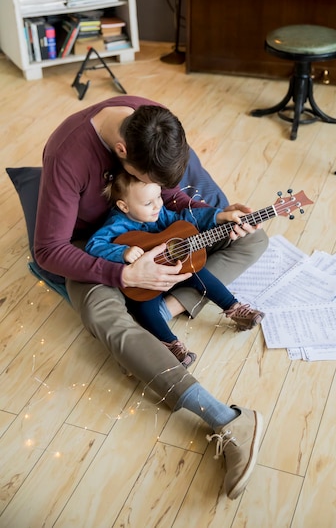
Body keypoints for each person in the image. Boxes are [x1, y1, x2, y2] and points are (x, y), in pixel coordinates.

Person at [34, 96, 269, 500]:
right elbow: (48, 250)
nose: (163, 189)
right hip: (95, 249)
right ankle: (226, 419)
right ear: (121, 152)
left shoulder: (154, 124)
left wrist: (215, 215)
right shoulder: (66, 154)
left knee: (254, 237)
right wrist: (122, 272)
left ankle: (165, 307)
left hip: (157, 233)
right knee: (105, 318)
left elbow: (171, 199)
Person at [85, 171, 265, 367]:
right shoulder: (117, 224)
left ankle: (234, 308)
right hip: (145, 283)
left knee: (200, 272)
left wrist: (218, 216)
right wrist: (122, 252)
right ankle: (171, 344)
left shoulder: (159, 213)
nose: (158, 206)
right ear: (124, 206)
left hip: (174, 269)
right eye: (148, 204)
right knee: (144, 307)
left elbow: (187, 217)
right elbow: (94, 245)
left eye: (159, 197)